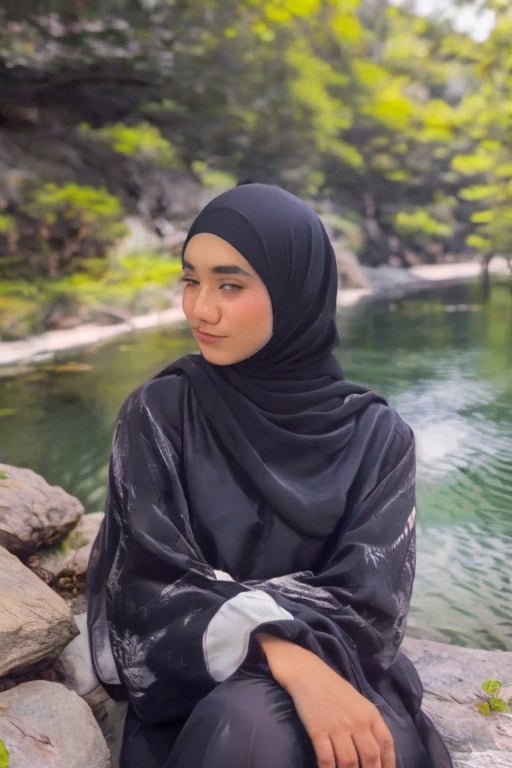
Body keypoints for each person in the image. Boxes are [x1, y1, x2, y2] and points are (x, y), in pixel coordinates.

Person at [87, 182, 453, 768]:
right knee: (246, 724)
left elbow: (371, 607)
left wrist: (231, 598)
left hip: (344, 672)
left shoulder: (377, 438)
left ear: (295, 291)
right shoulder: (160, 414)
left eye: (229, 285)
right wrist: (283, 650)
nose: (199, 309)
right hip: (196, 683)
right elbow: (144, 590)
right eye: (191, 280)